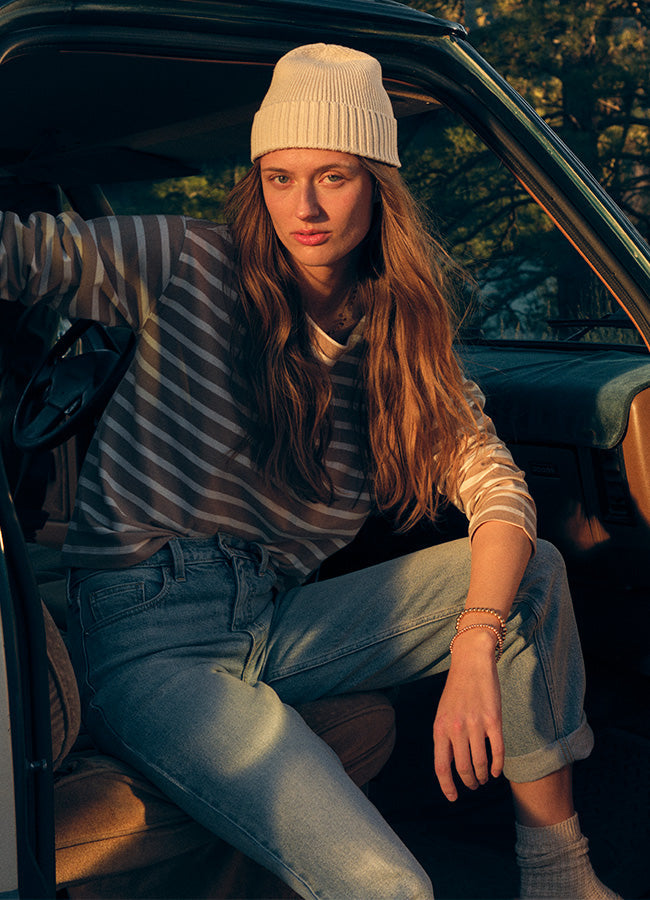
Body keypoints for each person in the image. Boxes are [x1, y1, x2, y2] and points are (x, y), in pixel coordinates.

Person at [0, 42, 620, 900]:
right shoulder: (187, 262)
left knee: (533, 573)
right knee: (392, 888)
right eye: (280, 178)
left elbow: (497, 489)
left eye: (333, 176)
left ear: (377, 184)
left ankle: (560, 878)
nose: (306, 207)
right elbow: (24, 255)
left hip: (277, 620)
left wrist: (475, 639)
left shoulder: (398, 343)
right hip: (148, 643)